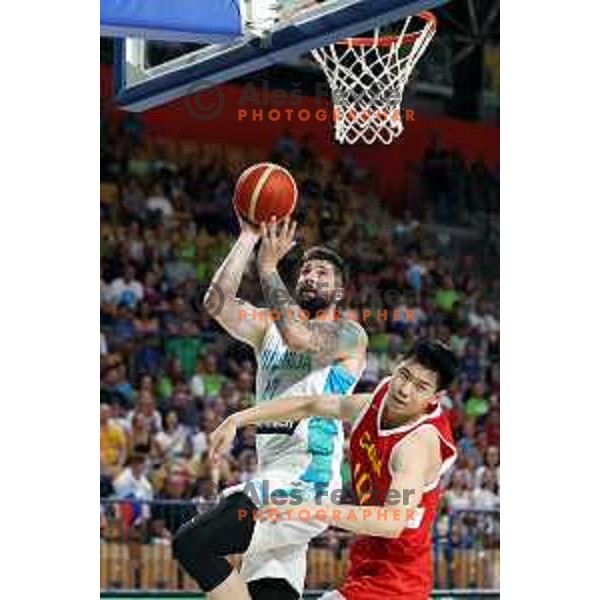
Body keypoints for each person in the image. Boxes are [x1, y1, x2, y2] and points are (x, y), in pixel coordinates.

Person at [172, 214, 367, 600]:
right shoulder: (267, 328)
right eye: (307, 270)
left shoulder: (349, 334)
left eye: (323, 273)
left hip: (308, 482)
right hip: (272, 475)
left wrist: (267, 266)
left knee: (193, 543)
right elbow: (216, 302)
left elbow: (298, 337)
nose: (311, 276)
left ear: (339, 293)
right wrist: (248, 237)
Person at [210, 339, 457, 600]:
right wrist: (237, 419)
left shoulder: (416, 446)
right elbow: (309, 405)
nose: (405, 390)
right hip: (368, 565)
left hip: (397, 584)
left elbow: (392, 521)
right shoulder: (377, 402)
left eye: (421, 387)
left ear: (435, 397)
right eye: (404, 375)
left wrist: (308, 509)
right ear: (396, 366)